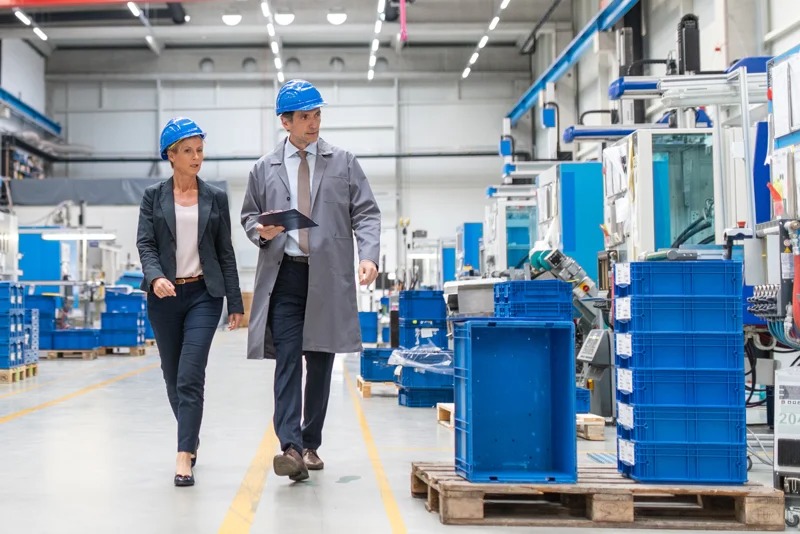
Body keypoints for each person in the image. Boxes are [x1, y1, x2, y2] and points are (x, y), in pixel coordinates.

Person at [241, 80, 381, 482]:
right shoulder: (262, 168)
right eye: (305, 116)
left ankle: (310, 443)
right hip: (285, 275)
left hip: (328, 276)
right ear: (285, 122)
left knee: (320, 360)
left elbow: (367, 213)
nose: (313, 123)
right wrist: (260, 231)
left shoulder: (344, 162)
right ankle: (289, 445)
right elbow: (250, 215)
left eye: (317, 114)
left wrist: (369, 256)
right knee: (287, 359)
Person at [137, 117, 244, 487]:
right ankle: (190, 435)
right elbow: (146, 245)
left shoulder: (215, 197)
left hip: (203, 295)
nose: (197, 157)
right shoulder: (153, 196)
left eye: (200, 150)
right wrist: (156, 277)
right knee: (171, 376)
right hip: (163, 297)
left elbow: (225, 251)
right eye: (188, 151)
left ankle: (183, 456)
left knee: (189, 375)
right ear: (171, 155)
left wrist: (236, 302)